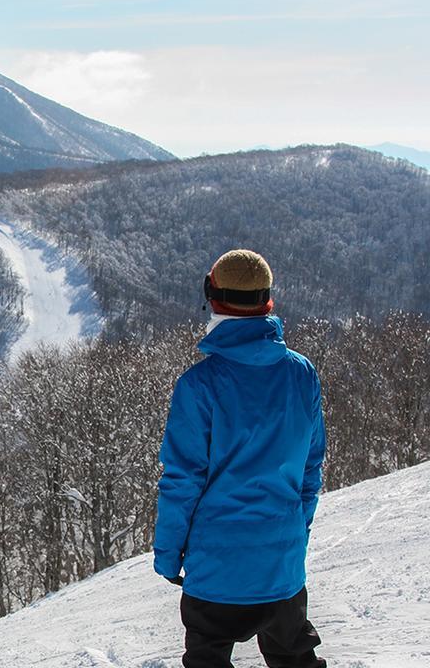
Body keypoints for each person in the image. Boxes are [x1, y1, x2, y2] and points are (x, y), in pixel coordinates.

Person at [153, 249, 327, 668]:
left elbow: (182, 480)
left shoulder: (199, 385)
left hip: (216, 570)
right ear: (268, 300)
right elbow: (310, 468)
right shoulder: (301, 374)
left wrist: (168, 552)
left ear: (213, 298)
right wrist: (292, 531)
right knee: (295, 659)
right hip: (281, 567)